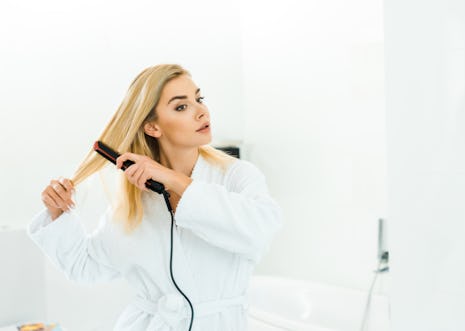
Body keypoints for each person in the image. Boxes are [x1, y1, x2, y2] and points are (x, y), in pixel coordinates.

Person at [26, 64, 283, 331]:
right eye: (181, 107)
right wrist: (57, 212)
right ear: (152, 127)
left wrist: (175, 180)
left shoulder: (235, 176)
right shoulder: (136, 198)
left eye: (199, 99)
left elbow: (259, 232)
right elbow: (86, 267)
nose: (201, 111)